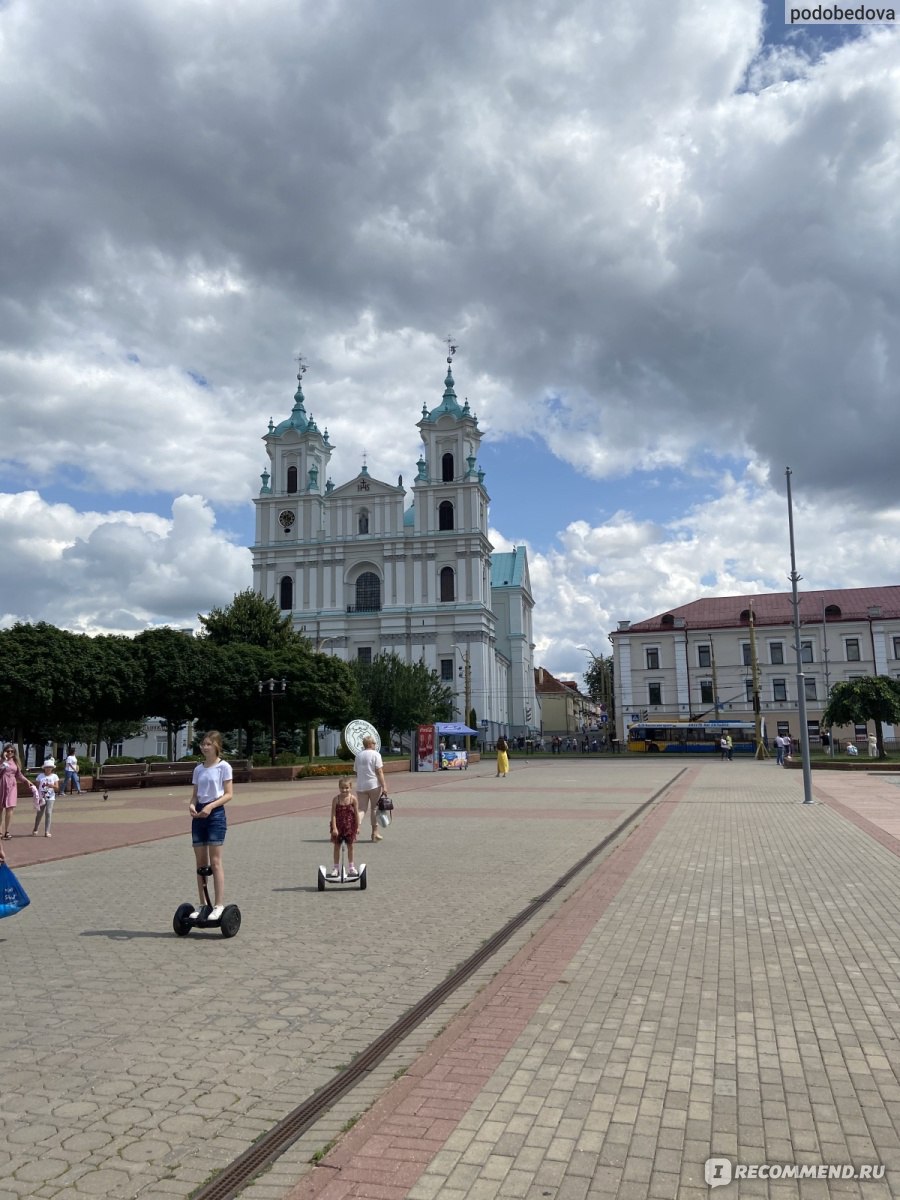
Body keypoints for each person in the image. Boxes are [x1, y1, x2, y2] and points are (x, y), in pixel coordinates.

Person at [188, 731, 234, 922]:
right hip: (199, 815)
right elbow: (195, 794)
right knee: (200, 864)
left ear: (216, 746)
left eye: (208, 744)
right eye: (203, 744)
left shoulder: (224, 767)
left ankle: (218, 904)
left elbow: (229, 794)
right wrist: (191, 805)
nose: (204, 747)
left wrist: (211, 806)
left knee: (215, 863)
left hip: (215, 814)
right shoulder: (198, 769)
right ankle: (202, 904)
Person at [355, 734, 387, 842]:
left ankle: (355, 827)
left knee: (361, 809)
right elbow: (379, 772)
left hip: (360, 786)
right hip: (373, 785)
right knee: (374, 809)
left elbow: (356, 771)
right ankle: (375, 833)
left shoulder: (358, 756)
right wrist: (384, 786)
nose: (375, 745)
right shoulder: (376, 755)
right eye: (374, 743)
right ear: (369, 744)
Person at [328, 777, 361, 878]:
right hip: (338, 826)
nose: (344, 790)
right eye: (342, 788)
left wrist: (357, 826)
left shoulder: (353, 799)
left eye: (346, 788)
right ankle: (336, 868)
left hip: (349, 826)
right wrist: (334, 828)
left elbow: (356, 813)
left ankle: (351, 867)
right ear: (339, 788)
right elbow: (333, 814)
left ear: (350, 788)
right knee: (337, 846)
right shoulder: (336, 799)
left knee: (350, 846)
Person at [1, 745, 31, 839]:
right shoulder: (1, 760)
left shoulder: (15, 762)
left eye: (12, 751)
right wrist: (4, 761)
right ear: (4, 751)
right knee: (0, 808)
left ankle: (7, 831)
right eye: (8, 751)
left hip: (12, 786)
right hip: (2, 784)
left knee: (10, 808)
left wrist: (27, 781)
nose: (10, 753)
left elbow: (19, 775)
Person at [32, 759, 59, 837]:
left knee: (48, 813)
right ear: (44, 768)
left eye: (50, 767)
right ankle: (35, 828)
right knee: (39, 813)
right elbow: (37, 786)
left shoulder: (54, 776)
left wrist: (52, 785)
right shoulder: (40, 776)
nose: (48, 769)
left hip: (51, 797)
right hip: (41, 797)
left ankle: (47, 831)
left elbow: (57, 787)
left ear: (52, 768)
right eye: (47, 767)